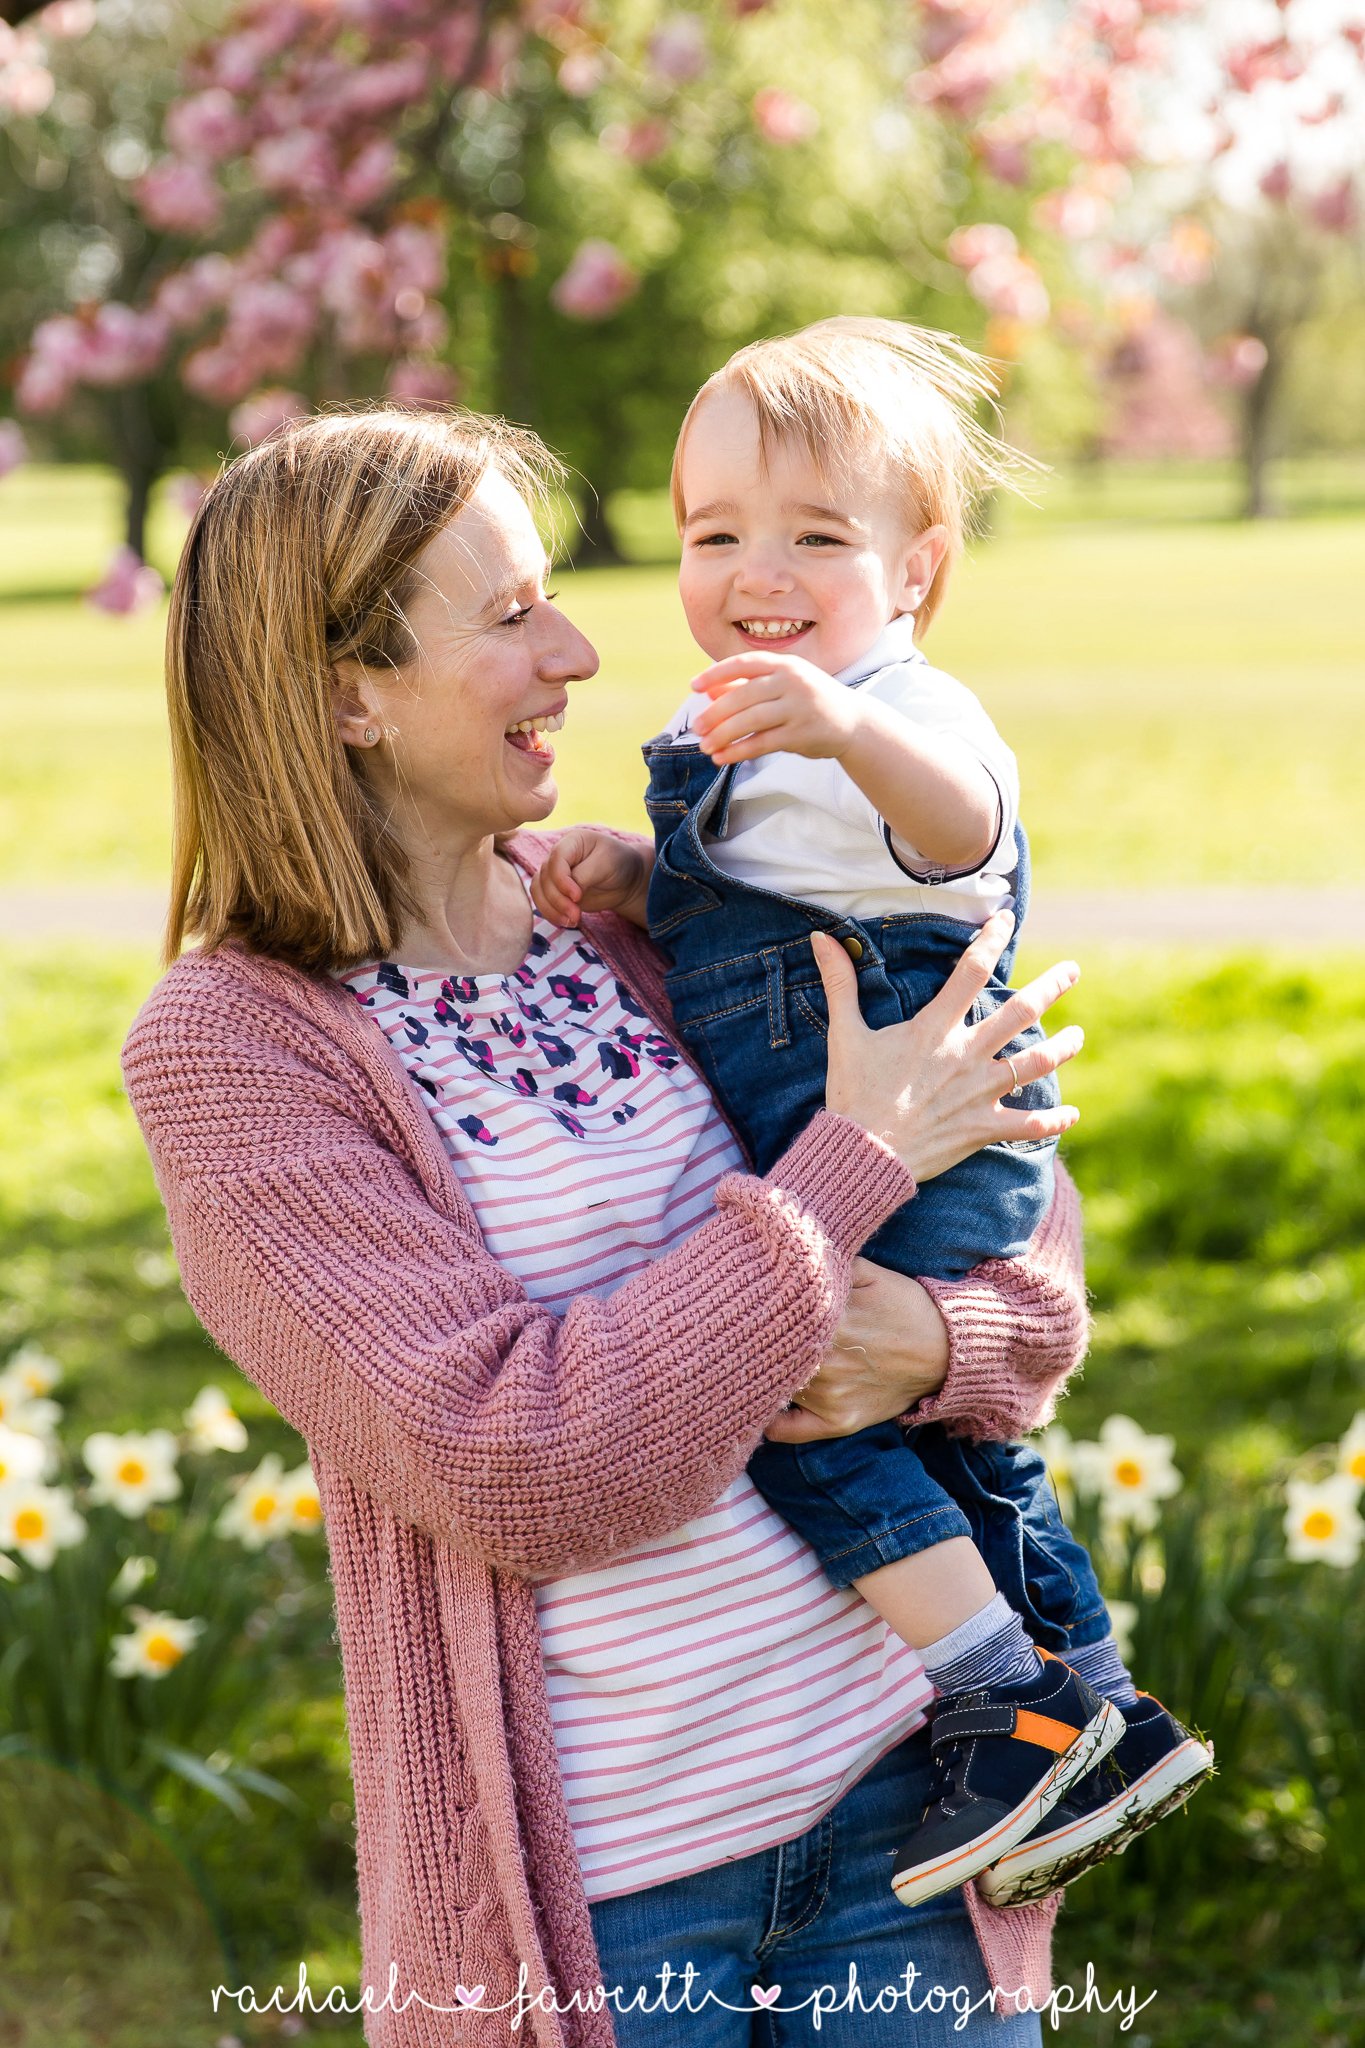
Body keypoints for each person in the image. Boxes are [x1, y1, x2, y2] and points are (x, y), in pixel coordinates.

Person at [124, 402, 1098, 2048]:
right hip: (611, 1907)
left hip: (906, 1807)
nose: (577, 650)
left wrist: (938, 1339)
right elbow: (523, 1462)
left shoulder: (629, 910)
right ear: (348, 693)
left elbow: (1022, 1220)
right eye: (509, 618)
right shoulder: (239, 1053)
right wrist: (845, 1169)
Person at [531, 320, 1212, 1916]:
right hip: (862, 1127)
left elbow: (963, 824)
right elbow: (760, 892)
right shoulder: (757, 729)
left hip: (915, 1123)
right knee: (942, 1441)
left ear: (916, 570)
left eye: (817, 538)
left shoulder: (908, 713)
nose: (756, 570)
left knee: (791, 1401)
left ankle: (1004, 1691)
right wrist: (643, 880)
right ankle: (1090, 1703)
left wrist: (847, 731)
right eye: (715, 535)